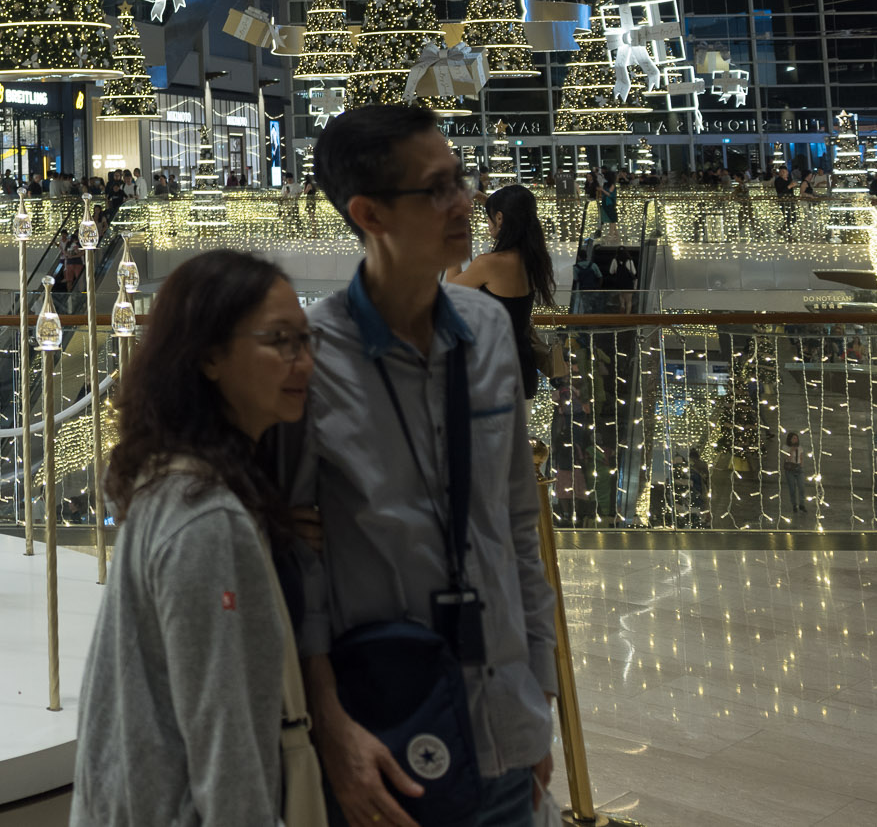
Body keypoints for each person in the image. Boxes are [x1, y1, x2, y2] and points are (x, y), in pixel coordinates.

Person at [294, 107, 557, 827]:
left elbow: (519, 529)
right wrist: (330, 727)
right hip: (389, 738)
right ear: (368, 213)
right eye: (438, 188)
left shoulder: (490, 331)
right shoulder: (311, 359)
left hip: (509, 726)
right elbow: (305, 578)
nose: (465, 203)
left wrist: (543, 699)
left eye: (461, 181)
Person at [72, 249, 318, 827]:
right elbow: (227, 746)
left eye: (305, 340)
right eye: (279, 340)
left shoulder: (166, 482)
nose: (302, 362)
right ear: (209, 355)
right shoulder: (206, 521)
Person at [448, 184, 558, 399]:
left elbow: (451, 291)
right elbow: (519, 213)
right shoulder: (533, 257)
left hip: (493, 371)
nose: (486, 223)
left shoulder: (489, 264)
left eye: (489, 217)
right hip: (524, 369)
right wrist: (481, 197)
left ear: (499, 218)